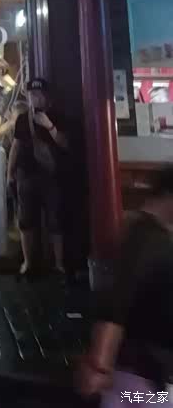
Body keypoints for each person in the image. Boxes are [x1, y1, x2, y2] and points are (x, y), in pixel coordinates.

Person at [78, 167, 173, 405]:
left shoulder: (141, 230)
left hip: (136, 378)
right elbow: (117, 303)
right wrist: (100, 365)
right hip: (147, 382)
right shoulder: (149, 240)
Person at [7, 77, 68, 278]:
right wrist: (10, 173)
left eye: (38, 94)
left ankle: (59, 264)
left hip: (51, 176)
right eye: (32, 95)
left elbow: (65, 144)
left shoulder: (57, 116)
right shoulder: (23, 119)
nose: (35, 98)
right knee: (26, 221)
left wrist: (50, 126)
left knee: (55, 221)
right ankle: (28, 262)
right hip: (26, 175)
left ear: (46, 97)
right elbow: (16, 146)